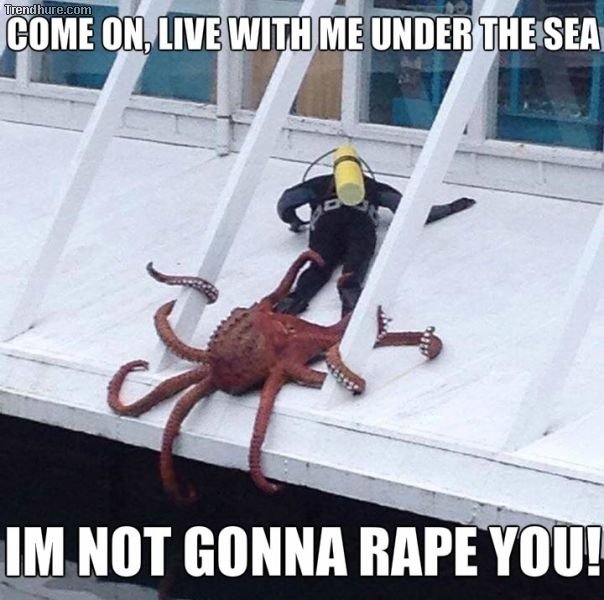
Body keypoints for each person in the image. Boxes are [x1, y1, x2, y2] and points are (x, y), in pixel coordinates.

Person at [275, 144, 475, 316]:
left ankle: (295, 299)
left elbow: (286, 203)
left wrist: (294, 222)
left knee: (318, 266)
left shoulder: (317, 183)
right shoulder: (374, 187)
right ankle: (350, 290)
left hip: (325, 229)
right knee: (357, 261)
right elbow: (412, 212)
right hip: (360, 229)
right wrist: (451, 208)